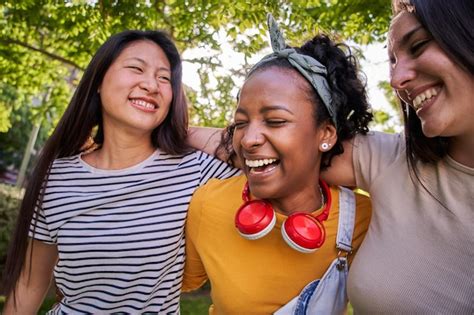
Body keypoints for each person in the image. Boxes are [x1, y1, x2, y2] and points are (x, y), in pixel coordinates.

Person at [1, 30, 239, 314]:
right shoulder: (57, 177)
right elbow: (29, 284)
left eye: (164, 78)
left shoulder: (194, 168)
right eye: (136, 68)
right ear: (99, 81)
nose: (151, 84)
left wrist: (183, 132)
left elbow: (255, 151)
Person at [181, 14, 372, 314]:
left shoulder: (363, 219)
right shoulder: (208, 204)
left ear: (325, 134)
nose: (248, 140)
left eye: (276, 121)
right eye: (241, 122)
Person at [342, 0, 474, 313]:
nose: (396, 79)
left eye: (417, 45)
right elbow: (279, 146)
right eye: (392, 61)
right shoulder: (392, 159)